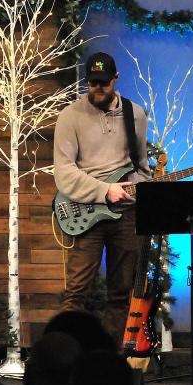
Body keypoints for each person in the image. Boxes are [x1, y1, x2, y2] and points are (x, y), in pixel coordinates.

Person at [53, 52, 150, 344]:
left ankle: (110, 360)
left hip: (126, 213)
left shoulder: (136, 114)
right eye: (93, 82)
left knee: (120, 294)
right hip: (86, 212)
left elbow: (142, 166)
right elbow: (64, 172)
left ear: (115, 79)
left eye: (104, 83)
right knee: (77, 293)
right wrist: (103, 190)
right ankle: (67, 357)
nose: (98, 88)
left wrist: (138, 185)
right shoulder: (70, 116)